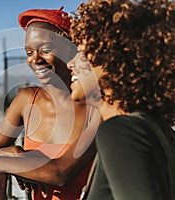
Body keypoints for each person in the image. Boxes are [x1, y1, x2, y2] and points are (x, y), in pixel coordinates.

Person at [0, 7, 99, 200]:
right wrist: (14, 153)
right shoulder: (26, 100)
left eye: (45, 50)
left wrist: (14, 159)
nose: (35, 60)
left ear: (70, 49)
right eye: (29, 52)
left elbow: (60, 174)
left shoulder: (95, 110)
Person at [68, 0, 175, 199]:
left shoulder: (121, 131)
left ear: (114, 57)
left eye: (81, 54)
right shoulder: (156, 127)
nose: (70, 64)